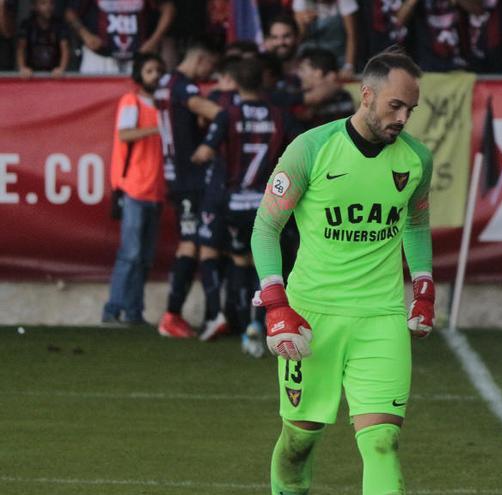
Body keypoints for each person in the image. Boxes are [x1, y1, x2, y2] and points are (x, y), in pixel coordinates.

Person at [250, 47, 434, 494]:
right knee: (299, 443)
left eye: (411, 108)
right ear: (366, 95)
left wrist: (424, 287)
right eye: (396, 105)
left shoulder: (416, 161)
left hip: (381, 317)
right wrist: (276, 302)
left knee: (383, 441)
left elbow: (415, 223)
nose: (404, 118)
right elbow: (265, 228)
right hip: (312, 317)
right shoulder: (311, 148)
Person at [192, 57, 295, 349]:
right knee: (264, 264)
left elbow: (204, 153)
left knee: (239, 259)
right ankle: (256, 325)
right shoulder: (279, 115)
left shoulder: (228, 114)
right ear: (262, 81)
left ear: (235, 83)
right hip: (267, 204)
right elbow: (298, 152)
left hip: (234, 203)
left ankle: (238, 323)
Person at [154, 37, 223, 338]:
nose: (210, 73)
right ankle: (174, 315)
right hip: (191, 176)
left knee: (192, 242)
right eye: (210, 66)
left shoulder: (164, 82)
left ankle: (187, 315)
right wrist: (210, 142)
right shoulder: (185, 87)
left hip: (175, 174)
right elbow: (218, 114)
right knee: (193, 243)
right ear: (200, 59)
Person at [102, 53, 167, 325]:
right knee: (130, 254)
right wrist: (156, 128)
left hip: (155, 190)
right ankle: (114, 308)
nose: (155, 75)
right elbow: (124, 133)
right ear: (140, 75)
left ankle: (134, 311)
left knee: (144, 258)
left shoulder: (162, 106)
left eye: (158, 70)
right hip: (134, 189)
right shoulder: (131, 102)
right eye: (150, 70)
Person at [65, 0, 175, 74]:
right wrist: (85, 35)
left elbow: (168, 8)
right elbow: (70, 11)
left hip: (137, 57)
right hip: (99, 56)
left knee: (136, 104)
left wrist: (154, 40)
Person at [293, 0, 358, 79]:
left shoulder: (343, 2)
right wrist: (303, 25)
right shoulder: (302, 2)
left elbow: (352, 36)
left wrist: (348, 66)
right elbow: (297, 38)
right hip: (309, 60)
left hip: (337, 59)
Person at [295, 47, 355, 128]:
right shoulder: (298, 96)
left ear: (318, 73)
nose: (299, 74)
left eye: (302, 69)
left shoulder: (343, 96)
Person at [16, 0, 70, 78]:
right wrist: (22, 68)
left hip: (54, 73)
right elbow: (20, 49)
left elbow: (65, 49)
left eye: (51, 3)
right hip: (32, 74)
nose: (48, 7)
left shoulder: (59, 25)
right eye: (43, 3)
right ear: (34, 6)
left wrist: (61, 69)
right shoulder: (27, 25)